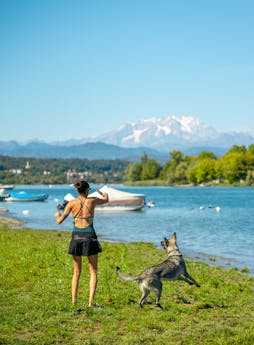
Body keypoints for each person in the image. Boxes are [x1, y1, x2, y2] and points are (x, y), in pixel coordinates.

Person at [55, 180, 108, 308]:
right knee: (93, 271)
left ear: (77, 190)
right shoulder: (93, 200)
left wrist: (57, 215)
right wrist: (102, 191)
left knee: (76, 272)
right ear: (87, 190)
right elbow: (106, 199)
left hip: (76, 237)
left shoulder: (71, 203)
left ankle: (74, 301)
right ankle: (90, 302)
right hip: (90, 236)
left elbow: (59, 221)